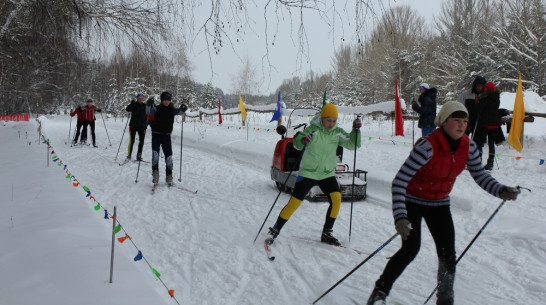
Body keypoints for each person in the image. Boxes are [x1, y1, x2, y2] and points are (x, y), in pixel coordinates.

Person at [366, 101, 521, 305]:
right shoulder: (427, 146)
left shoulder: (469, 146)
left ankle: (445, 301)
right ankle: (380, 292)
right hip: (413, 201)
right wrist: (400, 217)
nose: (461, 125)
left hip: (439, 203)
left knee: (448, 254)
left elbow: (480, 175)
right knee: (411, 249)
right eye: (456, 120)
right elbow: (399, 182)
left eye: (465, 121)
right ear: (444, 122)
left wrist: (500, 190)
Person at [265, 103, 362, 246]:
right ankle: (275, 229)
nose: (331, 123)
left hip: (326, 174)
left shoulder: (337, 132)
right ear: (322, 118)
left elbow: (353, 145)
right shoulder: (312, 130)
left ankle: (327, 233)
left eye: (334, 121)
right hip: (308, 173)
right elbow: (297, 144)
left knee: (336, 199)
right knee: (294, 203)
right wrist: (303, 139)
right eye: (328, 120)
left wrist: (356, 131)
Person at [147, 91, 188, 186]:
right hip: (156, 135)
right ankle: (155, 175)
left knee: (169, 158)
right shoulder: (157, 108)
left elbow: (181, 112)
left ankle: (169, 176)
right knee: (155, 156)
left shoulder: (172, 110)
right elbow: (148, 112)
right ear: (161, 100)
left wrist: (184, 108)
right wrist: (148, 105)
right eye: (165, 100)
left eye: (168, 100)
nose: (166, 102)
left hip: (166, 136)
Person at [474, 81, 501, 170]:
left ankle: (478, 161)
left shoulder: (485, 98)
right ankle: (490, 163)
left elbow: (479, 110)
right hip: (495, 124)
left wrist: (477, 103)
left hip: (485, 124)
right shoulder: (497, 98)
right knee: (491, 144)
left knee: (480, 142)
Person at [125, 93, 149, 161]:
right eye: (139, 98)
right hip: (133, 125)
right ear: (137, 98)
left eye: (142, 98)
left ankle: (139, 155)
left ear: (143, 99)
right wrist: (131, 104)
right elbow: (127, 109)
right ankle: (129, 155)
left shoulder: (145, 106)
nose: (140, 99)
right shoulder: (134, 104)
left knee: (142, 141)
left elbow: (150, 112)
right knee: (131, 141)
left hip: (142, 126)